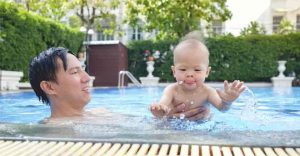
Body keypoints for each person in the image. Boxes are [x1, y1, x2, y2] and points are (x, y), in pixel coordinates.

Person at [29, 47, 208, 122]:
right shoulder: (55, 132)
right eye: (75, 72)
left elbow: (146, 128)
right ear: (50, 87)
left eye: (83, 70)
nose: (86, 78)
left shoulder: (101, 113)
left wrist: (170, 118)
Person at [150, 37, 246, 119]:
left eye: (197, 70)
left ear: (207, 72)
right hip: (174, 125)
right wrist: (159, 110)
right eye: (183, 69)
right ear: (174, 71)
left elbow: (222, 108)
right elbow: (163, 106)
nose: (190, 74)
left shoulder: (208, 92)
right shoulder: (171, 90)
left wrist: (227, 101)